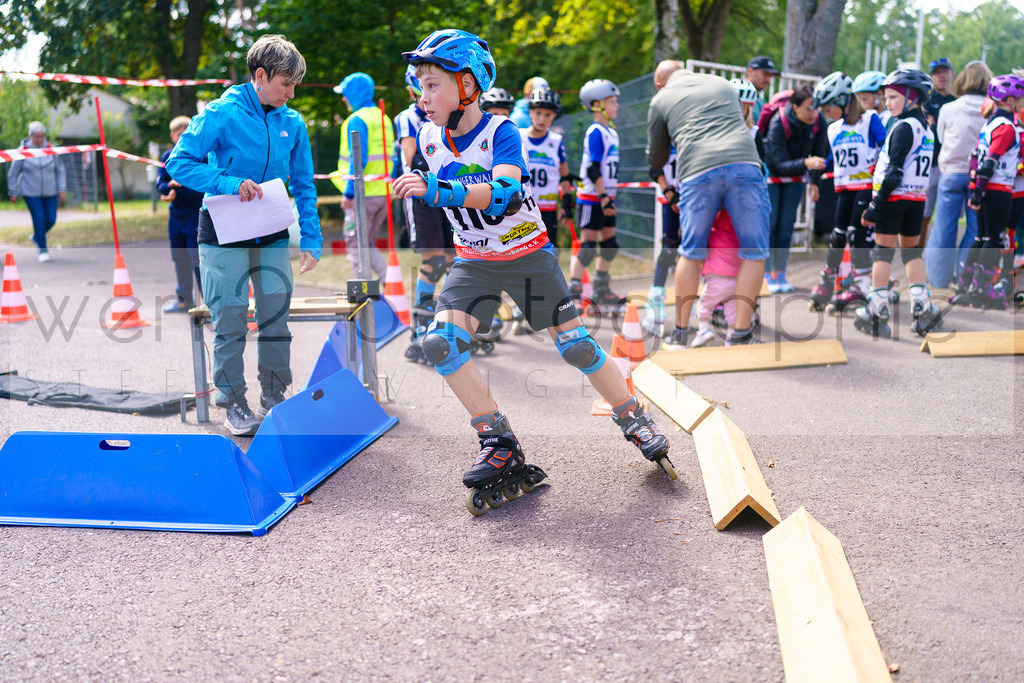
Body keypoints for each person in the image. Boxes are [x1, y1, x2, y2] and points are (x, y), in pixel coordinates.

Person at [392, 29, 675, 513]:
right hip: (475, 262)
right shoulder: (426, 136)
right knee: (440, 342)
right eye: (419, 84)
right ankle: (498, 442)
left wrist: (439, 190)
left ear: (468, 85)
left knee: (576, 347)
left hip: (526, 255)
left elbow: (501, 199)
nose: (422, 96)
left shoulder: (502, 132)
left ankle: (633, 418)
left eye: (432, 83)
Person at [166, 34, 322, 436]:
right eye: (285, 83)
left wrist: (312, 237)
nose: (291, 92)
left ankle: (275, 397)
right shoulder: (222, 112)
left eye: (294, 85)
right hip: (221, 231)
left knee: (275, 318)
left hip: (270, 231)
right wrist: (226, 181)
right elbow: (178, 164)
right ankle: (233, 401)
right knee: (231, 319)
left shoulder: (293, 121)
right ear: (260, 75)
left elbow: (304, 184)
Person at [647, 60, 769, 349]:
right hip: (746, 165)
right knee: (755, 251)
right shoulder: (721, 83)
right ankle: (739, 334)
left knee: (691, 252)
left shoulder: (661, 99)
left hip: (698, 172)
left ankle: (680, 335)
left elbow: (656, 159)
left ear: (659, 83)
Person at [854, 69, 942, 338]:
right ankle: (922, 306)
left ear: (913, 98)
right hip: (915, 200)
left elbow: (894, 172)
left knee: (882, 252)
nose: (887, 102)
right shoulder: (926, 128)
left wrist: (875, 206)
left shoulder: (903, 127)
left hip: (893, 199)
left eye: (893, 97)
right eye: (886, 97)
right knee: (911, 252)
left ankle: (876, 309)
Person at [808, 72, 887, 313]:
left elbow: (885, 146)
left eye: (827, 107)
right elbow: (836, 158)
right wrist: (818, 167)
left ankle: (861, 287)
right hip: (844, 189)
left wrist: (880, 164)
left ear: (843, 101)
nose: (824, 112)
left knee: (857, 234)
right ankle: (828, 280)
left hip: (865, 187)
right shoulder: (833, 128)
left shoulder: (870, 119)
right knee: (837, 235)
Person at [395, 64, 455, 363]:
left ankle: (449, 325)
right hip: (420, 196)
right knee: (433, 261)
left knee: (455, 259)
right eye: (422, 90)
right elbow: (413, 159)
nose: (427, 96)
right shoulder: (408, 118)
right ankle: (419, 329)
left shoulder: (446, 115)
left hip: (446, 193)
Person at [949, 74, 1024, 310]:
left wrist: (976, 188)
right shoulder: (1008, 128)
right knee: (993, 238)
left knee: (981, 237)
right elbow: (990, 161)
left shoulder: (989, 124)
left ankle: (964, 285)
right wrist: (979, 190)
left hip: (984, 188)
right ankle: (982, 288)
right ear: (1011, 100)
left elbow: (974, 158)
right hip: (998, 188)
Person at [924, 60, 992, 287]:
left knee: (943, 227)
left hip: (950, 172)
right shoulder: (990, 109)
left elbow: (941, 139)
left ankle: (937, 279)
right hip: (979, 177)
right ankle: (966, 278)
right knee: (975, 229)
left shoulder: (948, 108)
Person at [764, 85, 828, 293]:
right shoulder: (778, 123)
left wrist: (815, 182)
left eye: (817, 108)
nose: (814, 113)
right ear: (795, 106)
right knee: (770, 225)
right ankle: (765, 274)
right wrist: (806, 163)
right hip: (773, 179)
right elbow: (778, 163)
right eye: (809, 108)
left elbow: (820, 156)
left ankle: (780, 273)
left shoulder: (819, 122)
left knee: (786, 226)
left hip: (796, 179)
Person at [569, 78, 625, 311]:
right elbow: (593, 168)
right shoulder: (595, 132)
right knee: (589, 247)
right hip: (593, 198)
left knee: (611, 245)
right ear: (596, 105)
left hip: (606, 197)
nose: (616, 106)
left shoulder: (612, 132)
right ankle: (572, 291)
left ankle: (602, 288)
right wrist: (603, 197)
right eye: (611, 102)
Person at [333, 71, 394, 280]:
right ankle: (388, 287)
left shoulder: (357, 120)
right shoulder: (383, 118)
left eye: (345, 93)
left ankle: (365, 300)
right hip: (383, 194)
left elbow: (358, 158)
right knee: (366, 244)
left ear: (354, 93)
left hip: (363, 195)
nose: (343, 98)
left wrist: (349, 194)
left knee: (357, 247)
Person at [157, 116, 204, 313]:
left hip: (195, 214)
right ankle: (184, 299)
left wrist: (181, 187)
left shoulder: (200, 156)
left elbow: (201, 188)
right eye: (179, 134)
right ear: (173, 136)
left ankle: (210, 302)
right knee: (179, 257)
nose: (183, 137)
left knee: (198, 259)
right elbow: (160, 183)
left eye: (187, 133)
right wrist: (168, 189)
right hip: (176, 216)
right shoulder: (167, 156)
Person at [520, 87, 572, 248]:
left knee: (550, 252)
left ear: (554, 115)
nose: (542, 118)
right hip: (523, 208)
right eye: (538, 113)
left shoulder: (556, 141)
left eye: (548, 114)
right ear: (530, 113)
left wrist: (566, 206)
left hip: (548, 208)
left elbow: (565, 176)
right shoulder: (519, 137)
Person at [7, 122, 67, 262]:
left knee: (51, 219)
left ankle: (36, 237)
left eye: (42, 136)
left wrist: (62, 189)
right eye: (36, 136)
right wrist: (13, 191)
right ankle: (43, 250)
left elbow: (60, 170)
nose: (39, 139)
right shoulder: (22, 151)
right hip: (30, 192)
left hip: (50, 191)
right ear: (30, 136)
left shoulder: (52, 149)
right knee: (39, 219)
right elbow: (13, 173)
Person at [690, 211, 743, 347]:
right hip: (734, 279)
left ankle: (703, 330)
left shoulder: (713, 232)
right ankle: (731, 337)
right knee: (732, 308)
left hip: (715, 278)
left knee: (703, 304)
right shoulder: (736, 235)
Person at [921, 58, 958, 240]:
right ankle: (916, 251)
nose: (941, 76)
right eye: (936, 73)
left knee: (948, 215)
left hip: (952, 166)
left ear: (952, 74)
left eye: (944, 71)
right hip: (931, 164)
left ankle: (939, 250)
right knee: (925, 211)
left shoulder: (958, 102)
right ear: (932, 77)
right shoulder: (926, 101)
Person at [745, 56, 780, 120]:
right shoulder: (736, 95)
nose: (768, 80)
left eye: (770, 76)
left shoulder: (761, 102)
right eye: (765, 74)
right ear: (750, 71)